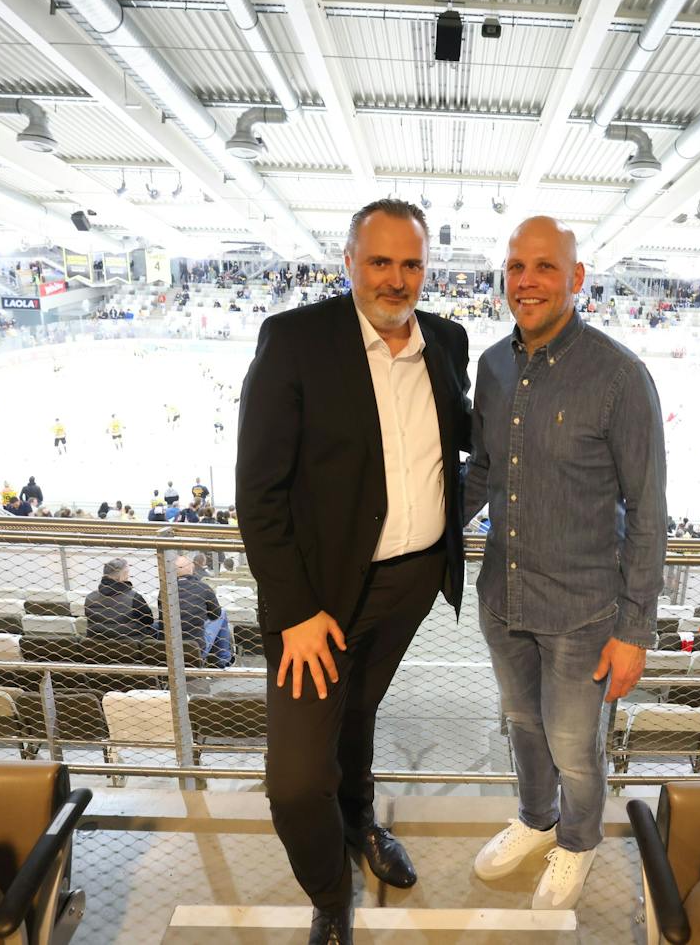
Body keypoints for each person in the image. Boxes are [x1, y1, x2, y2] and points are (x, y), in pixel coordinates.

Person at [236, 198, 472, 945]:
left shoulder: (445, 340)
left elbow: (462, 433)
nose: (396, 279)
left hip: (409, 585)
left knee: (359, 714)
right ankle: (331, 892)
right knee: (297, 779)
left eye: (411, 264)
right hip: (319, 600)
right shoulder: (295, 340)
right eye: (381, 261)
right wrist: (297, 608)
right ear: (349, 261)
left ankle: (361, 823)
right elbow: (259, 491)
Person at [464, 217, 665, 912]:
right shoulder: (492, 366)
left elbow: (647, 508)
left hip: (584, 611)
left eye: (545, 267)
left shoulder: (619, 376)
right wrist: (417, 532)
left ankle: (577, 841)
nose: (527, 280)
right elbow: (484, 470)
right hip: (504, 598)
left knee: (575, 748)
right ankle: (535, 816)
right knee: (523, 724)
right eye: (517, 266)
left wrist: (636, 628)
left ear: (576, 278)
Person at [171, 553, 231, 666]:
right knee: (222, 614)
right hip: (196, 649)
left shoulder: (165, 591)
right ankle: (223, 660)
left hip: (171, 648)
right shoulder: (203, 588)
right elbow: (215, 615)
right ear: (191, 568)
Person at [82, 558, 155, 638]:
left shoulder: (90, 598)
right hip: (130, 644)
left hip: (97, 645)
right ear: (123, 575)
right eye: (127, 573)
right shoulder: (134, 597)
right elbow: (149, 620)